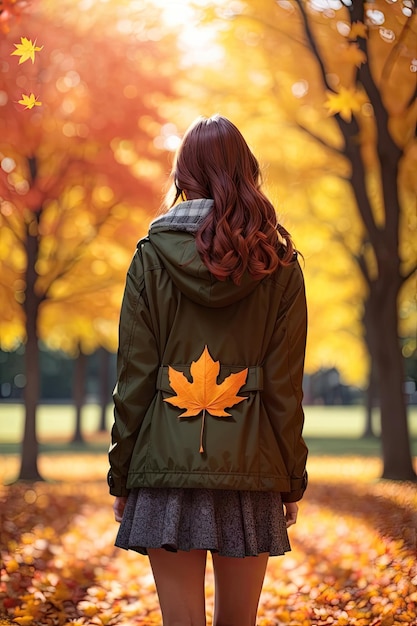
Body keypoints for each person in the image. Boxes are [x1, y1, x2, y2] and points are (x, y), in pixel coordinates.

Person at [108, 114, 308, 626]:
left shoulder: (150, 258)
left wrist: (122, 475)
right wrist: (290, 481)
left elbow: (133, 380)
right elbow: (285, 390)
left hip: (163, 465)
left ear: (182, 176)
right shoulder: (279, 264)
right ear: (248, 172)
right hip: (251, 468)